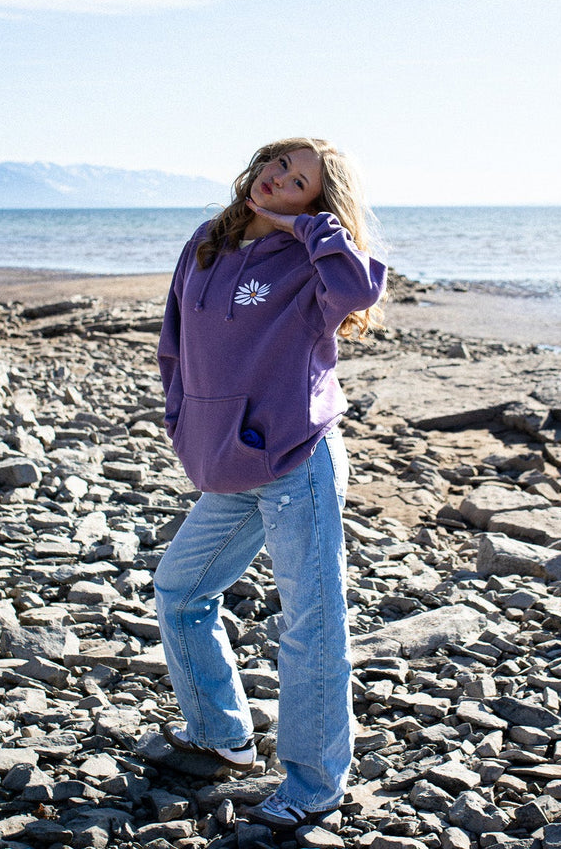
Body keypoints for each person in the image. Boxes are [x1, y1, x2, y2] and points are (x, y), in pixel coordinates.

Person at [153, 137, 388, 831]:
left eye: (298, 181)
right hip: (228, 464)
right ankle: (221, 737)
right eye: (275, 166)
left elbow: (361, 288)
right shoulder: (207, 241)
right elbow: (174, 341)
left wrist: (312, 229)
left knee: (312, 625)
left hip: (296, 461)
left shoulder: (313, 261)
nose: (277, 181)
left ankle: (315, 786)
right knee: (180, 591)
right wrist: (182, 421)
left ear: (317, 200)